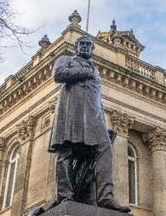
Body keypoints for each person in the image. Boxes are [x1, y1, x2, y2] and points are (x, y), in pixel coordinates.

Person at [48, 35, 130, 212]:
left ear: (92, 49)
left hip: (93, 116)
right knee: (66, 152)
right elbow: (58, 75)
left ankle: (106, 197)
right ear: (76, 47)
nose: (85, 47)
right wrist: (83, 72)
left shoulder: (95, 69)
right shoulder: (66, 60)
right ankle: (65, 195)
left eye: (88, 45)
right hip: (72, 112)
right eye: (82, 44)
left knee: (104, 149)